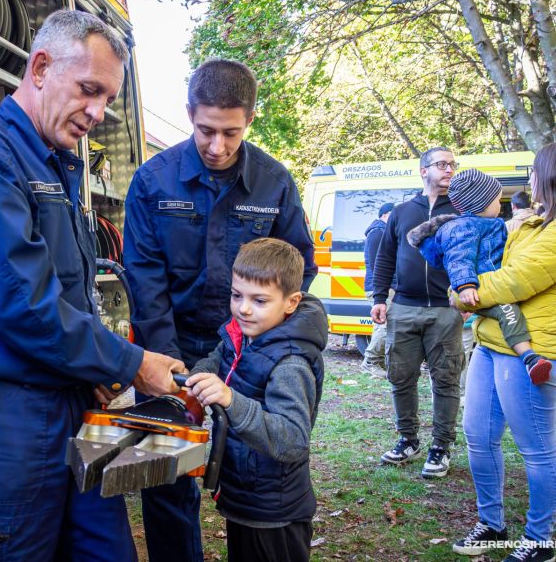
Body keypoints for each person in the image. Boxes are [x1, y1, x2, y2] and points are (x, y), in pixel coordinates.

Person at [0, 10, 185, 561]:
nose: (97, 112)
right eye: (89, 91)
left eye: (107, 98)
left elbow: (69, 296)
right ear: (40, 68)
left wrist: (98, 371)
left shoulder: (56, 164)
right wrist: (130, 363)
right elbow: (24, 305)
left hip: (67, 401)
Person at [123, 59, 317, 562]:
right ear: (189, 114)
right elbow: (144, 279)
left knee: (255, 469)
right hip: (171, 345)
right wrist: (164, 364)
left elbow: (298, 270)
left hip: (246, 350)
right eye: (206, 130)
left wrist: (257, 343)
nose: (217, 146)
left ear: (250, 119)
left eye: (231, 133)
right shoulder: (152, 182)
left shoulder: (275, 184)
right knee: (166, 476)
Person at [185, 238, 327, 562]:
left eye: (259, 300)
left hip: (274, 512)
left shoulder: (290, 363)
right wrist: (193, 378)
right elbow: (217, 359)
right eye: (237, 296)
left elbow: (292, 440)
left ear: (291, 302)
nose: (243, 308)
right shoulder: (244, 334)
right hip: (244, 498)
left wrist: (231, 400)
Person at [452, 144, 556, 562]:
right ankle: (492, 524)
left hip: (531, 351)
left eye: (534, 171)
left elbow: (511, 281)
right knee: (478, 436)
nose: (529, 180)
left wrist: (462, 292)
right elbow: (480, 267)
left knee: (536, 448)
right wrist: (465, 284)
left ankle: (540, 538)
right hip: (490, 344)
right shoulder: (526, 225)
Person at [371, 146, 465, 478]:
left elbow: (476, 257)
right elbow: (385, 258)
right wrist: (380, 297)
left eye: (452, 165)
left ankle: (441, 447)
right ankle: (408, 440)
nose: (449, 170)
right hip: (405, 308)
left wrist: (470, 297)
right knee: (401, 378)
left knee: (446, 379)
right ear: (423, 170)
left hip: (446, 309)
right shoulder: (401, 213)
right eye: (442, 164)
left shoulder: (462, 211)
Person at [407, 168, 551, 384]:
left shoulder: (487, 224)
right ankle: (529, 357)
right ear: (480, 202)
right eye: (496, 200)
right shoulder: (463, 228)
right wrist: (465, 286)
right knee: (508, 311)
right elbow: (459, 257)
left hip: (485, 283)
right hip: (476, 286)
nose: (500, 204)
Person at [361, 202, 394, 377]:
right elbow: (378, 265)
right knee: (385, 324)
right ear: (385, 215)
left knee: (382, 325)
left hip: (383, 286)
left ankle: (378, 363)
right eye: (393, 215)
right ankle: (370, 361)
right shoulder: (377, 233)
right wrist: (388, 285)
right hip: (380, 286)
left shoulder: (382, 232)